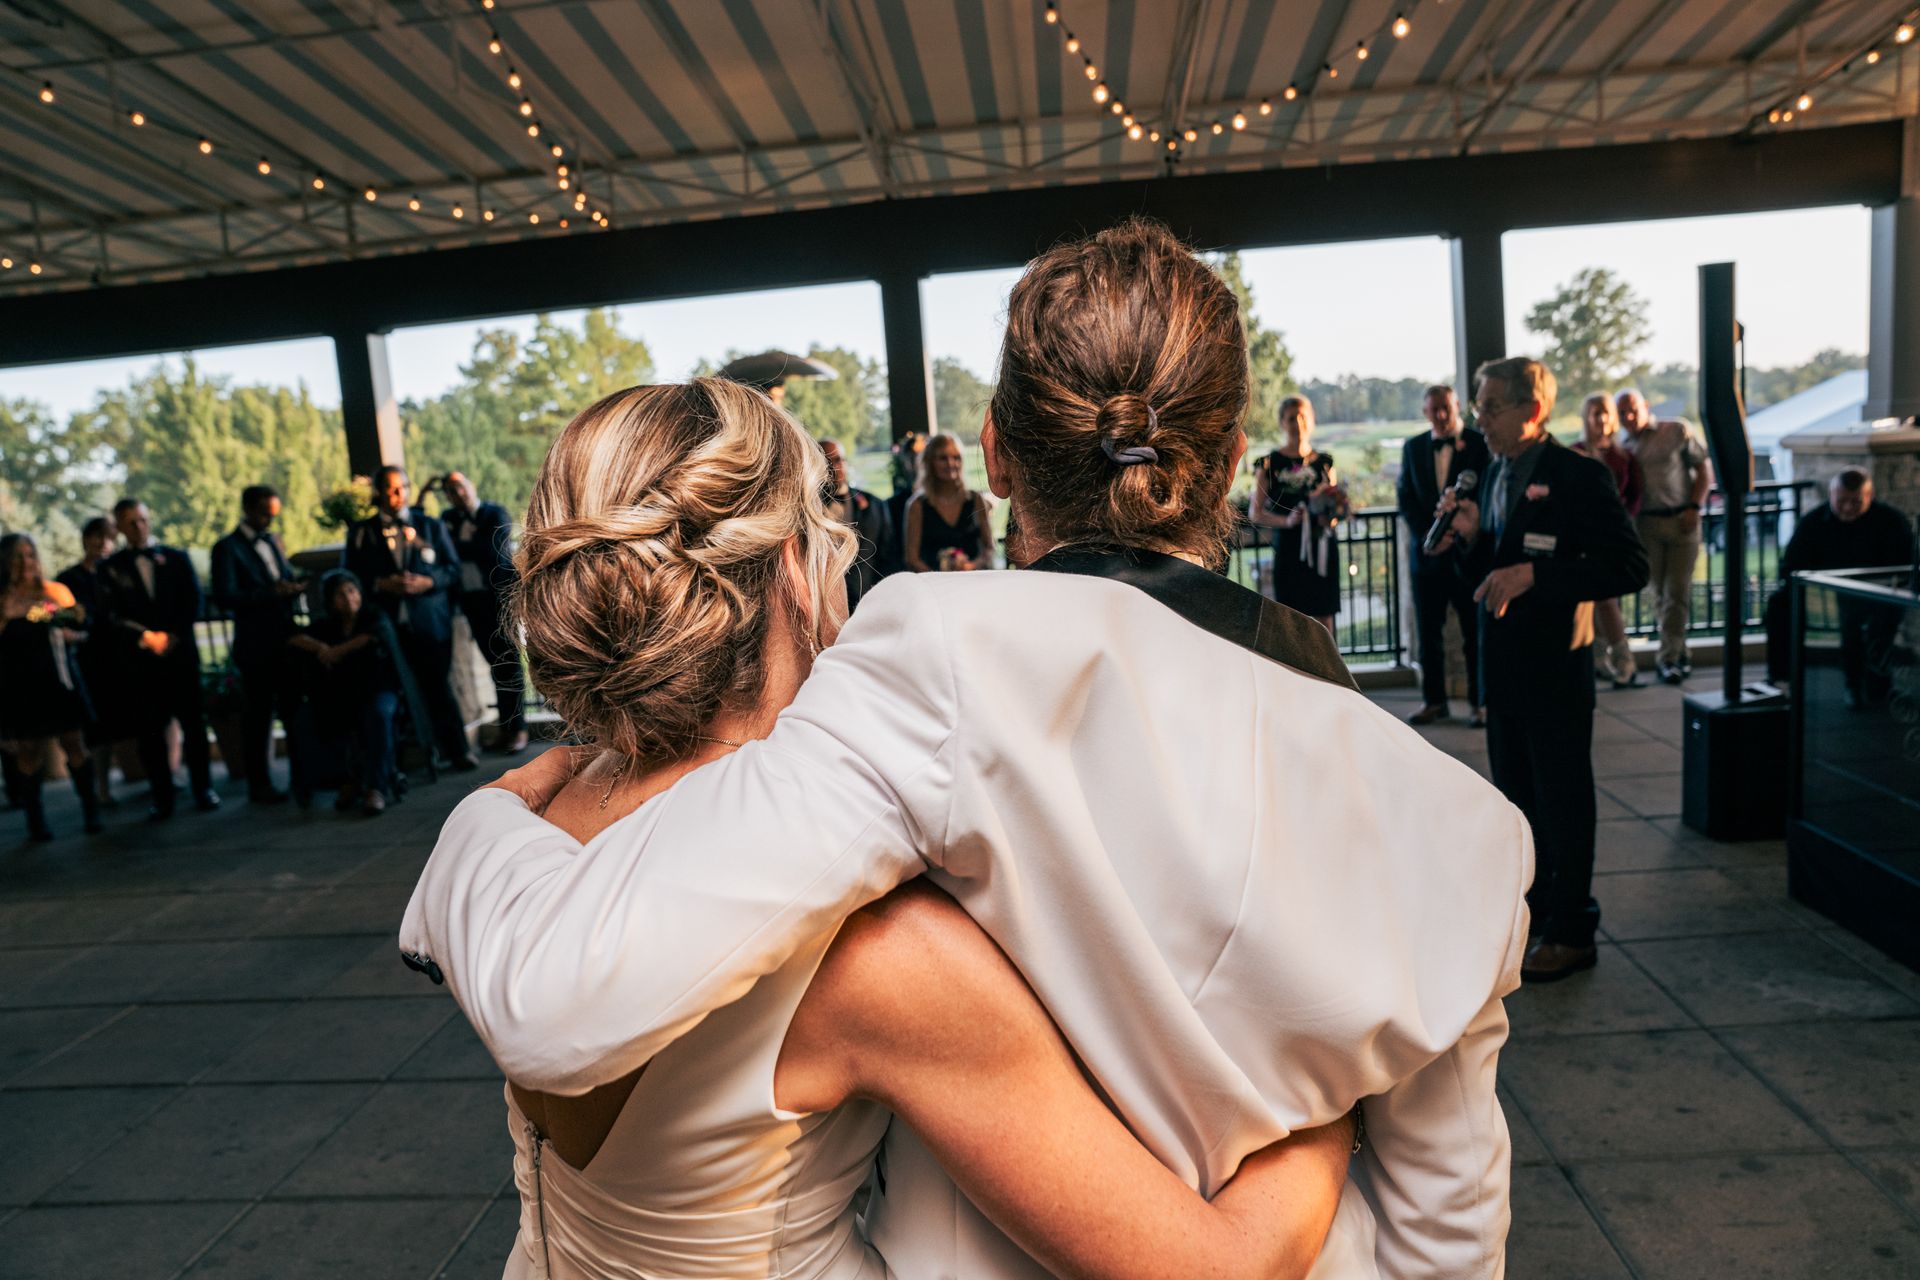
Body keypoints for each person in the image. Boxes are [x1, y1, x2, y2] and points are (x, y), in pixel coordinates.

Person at [404, 218, 1533, 1277]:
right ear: (1236, 456)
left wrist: (481, 821)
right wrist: (1315, 1120)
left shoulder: (912, 673)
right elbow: (1445, 1226)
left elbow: (561, 984)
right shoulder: (1468, 835)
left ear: (994, 451)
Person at [462, 377, 1362, 1279]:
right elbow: (1213, 1268)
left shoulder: (543, 811)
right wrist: (1332, 1104)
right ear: (790, 570)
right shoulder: (872, 947)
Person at [1429, 358, 1649, 984]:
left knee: (1565, 802)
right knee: (1520, 806)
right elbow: (1489, 581)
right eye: (1477, 407)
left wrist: (1538, 575)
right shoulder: (1494, 474)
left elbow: (1630, 568)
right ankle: (1539, 914)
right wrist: (1468, 540)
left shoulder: (1578, 476)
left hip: (1556, 669)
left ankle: (1575, 929)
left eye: (1491, 407)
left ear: (1534, 410)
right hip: (1504, 673)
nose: (1480, 420)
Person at [341, 466, 476, 771]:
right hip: (385, 627)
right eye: (391, 489)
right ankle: (398, 762)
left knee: (440, 688)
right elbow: (350, 577)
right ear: (378, 493)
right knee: (389, 691)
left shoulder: (430, 526)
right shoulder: (361, 533)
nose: (398, 495)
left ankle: (458, 751)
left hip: (429, 623)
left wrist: (427, 583)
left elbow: (452, 570)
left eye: (402, 487)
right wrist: (379, 584)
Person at [100, 499, 219, 820]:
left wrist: (171, 636)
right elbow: (110, 615)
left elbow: (193, 601)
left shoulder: (177, 559)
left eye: (142, 520)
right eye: (130, 522)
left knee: (194, 727)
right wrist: (145, 638)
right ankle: (162, 796)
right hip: (141, 665)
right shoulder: (110, 568)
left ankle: (203, 788)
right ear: (120, 527)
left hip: (180, 657)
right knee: (150, 734)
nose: (138, 527)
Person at [1764, 468, 1912, 699]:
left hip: (1876, 594)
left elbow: (1905, 566)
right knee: (1779, 605)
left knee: (1883, 615)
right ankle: (1782, 676)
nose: (1848, 508)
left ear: (1869, 497)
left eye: (1856, 502)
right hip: (1823, 596)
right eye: (1841, 501)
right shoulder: (1813, 522)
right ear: (1831, 495)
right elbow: (1791, 565)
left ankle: (1873, 682)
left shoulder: (1890, 521)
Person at [288, 569, 420, 815]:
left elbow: (369, 636)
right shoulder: (327, 625)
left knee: (379, 716)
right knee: (316, 717)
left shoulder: (373, 615)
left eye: (351, 590)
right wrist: (321, 648)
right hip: (345, 693)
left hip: (380, 688)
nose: (348, 598)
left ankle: (376, 787)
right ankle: (346, 780)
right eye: (340, 594)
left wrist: (336, 651)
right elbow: (294, 637)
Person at [1397, 385, 1490, 726]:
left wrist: (1459, 530)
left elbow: (1487, 491)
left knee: (1474, 631)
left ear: (1457, 407)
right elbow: (1406, 497)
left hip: (1468, 556)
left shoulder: (1481, 445)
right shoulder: (1413, 447)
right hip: (1427, 557)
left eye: (1445, 408)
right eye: (1433, 409)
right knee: (1428, 633)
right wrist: (1431, 535)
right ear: (1425, 412)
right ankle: (1434, 701)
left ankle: (1481, 703)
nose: (1440, 414)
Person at [210, 485, 307, 804]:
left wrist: (291, 588)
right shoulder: (226, 548)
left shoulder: (272, 542)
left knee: (294, 712)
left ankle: (301, 778)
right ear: (249, 509)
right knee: (258, 717)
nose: (270, 520)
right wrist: (271, 593)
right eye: (266, 514)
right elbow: (225, 596)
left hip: (286, 640)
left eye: (274, 514)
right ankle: (259, 784)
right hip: (255, 645)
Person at [0, 533, 101, 839]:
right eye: (18, 556)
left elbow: (79, 621)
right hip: (20, 687)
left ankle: (91, 810)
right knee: (28, 751)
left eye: (30, 555)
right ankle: (36, 821)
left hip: (57, 680)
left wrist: (41, 611)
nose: (25, 562)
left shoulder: (52, 591)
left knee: (74, 743)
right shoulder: (2, 600)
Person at [1618, 390, 1710, 684]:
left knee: (1677, 592)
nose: (1628, 417)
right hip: (1647, 525)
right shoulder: (1623, 447)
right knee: (1660, 595)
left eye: (1632, 409)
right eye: (1622, 413)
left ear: (1645, 407)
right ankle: (1678, 654)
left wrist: (1695, 507)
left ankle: (1667, 659)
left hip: (1682, 520)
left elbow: (1703, 470)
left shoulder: (1676, 430)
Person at [435, 470, 528, 755]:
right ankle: (505, 729)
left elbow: (494, 554)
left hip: (500, 601)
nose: (457, 493)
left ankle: (519, 730)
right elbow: (441, 550)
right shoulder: (448, 519)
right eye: (450, 490)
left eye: (460, 486)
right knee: (494, 667)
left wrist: (458, 547)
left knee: (509, 664)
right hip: (472, 604)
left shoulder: (494, 513)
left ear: (471, 487)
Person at [1250, 395, 1347, 635]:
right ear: (1282, 423)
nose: (1298, 423)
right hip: (1290, 549)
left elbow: (1333, 505)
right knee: (1290, 618)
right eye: (1291, 418)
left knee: (1324, 615)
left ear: (1311, 420)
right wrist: (1287, 520)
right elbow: (1255, 513)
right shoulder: (1269, 464)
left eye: (1303, 416)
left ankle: (1328, 671)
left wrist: (1332, 516)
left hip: (1321, 546)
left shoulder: (1324, 463)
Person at [1573, 394, 1644, 689]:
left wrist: (1621, 525)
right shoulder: (1575, 452)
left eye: (1604, 413)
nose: (1600, 419)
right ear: (1586, 418)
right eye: (1594, 413)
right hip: (1581, 538)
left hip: (1612, 539)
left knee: (1606, 600)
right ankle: (1599, 659)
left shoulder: (1624, 456)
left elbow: (1635, 496)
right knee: (1587, 599)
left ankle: (1624, 659)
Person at [57, 517, 123, 806]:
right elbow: (57, 617)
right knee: (97, 731)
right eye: (97, 537)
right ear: (86, 540)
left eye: (109, 538)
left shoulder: (117, 574)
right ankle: (101, 791)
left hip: (118, 657)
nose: (103, 544)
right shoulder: (69, 579)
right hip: (88, 662)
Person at [903, 432, 994, 572]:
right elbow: (912, 559)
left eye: (956, 457)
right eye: (943, 458)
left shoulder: (975, 499)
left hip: (973, 580)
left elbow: (989, 548)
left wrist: (972, 566)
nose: (951, 463)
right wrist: (939, 578)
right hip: (933, 584)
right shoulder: (917, 505)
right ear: (930, 462)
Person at [819, 438, 893, 609]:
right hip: (825, 602)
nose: (833, 468)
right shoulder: (807, 509)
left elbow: (888, 554)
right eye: (826, 462)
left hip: (869, 599)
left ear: (845, 463)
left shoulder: (874, 504)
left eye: (837, 460)